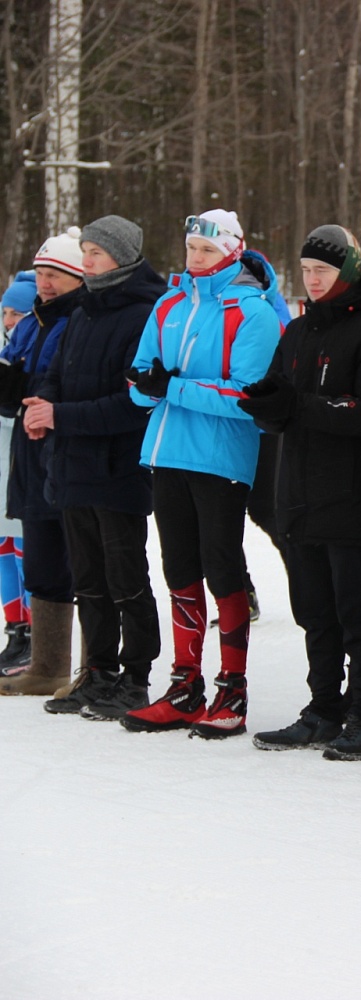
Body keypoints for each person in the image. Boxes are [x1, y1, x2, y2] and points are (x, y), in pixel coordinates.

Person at [245, 225, 361, 761]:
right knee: (313, 610)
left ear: (349, 274)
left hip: (355, 497)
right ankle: (322, 707)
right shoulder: (297, 332)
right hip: (299, 494)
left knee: (356, 608)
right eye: (307, 270)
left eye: (324, 271)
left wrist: (298, 409)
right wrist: (266, 405)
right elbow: (282, 402)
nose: (313, 280)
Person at [120, 209, 280, 737]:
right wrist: (148, 386)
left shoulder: (252, 313)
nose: (196, 258)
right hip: (167, 452)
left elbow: (249, 397)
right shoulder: (169, 302)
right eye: (191, 248)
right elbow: (141, 380)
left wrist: (174, 388)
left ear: (234, 250)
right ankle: (185, 683)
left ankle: (231, 688)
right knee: (179, 567)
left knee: (222, 566)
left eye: (207, 250)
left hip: (221, 458)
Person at [24, 216, 165, 721]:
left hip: (118, 467)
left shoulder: (145, 313)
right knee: (88, 578)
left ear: (122, 257)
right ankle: (99, 670)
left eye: (96, 254)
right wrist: (42, 407)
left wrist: (60, 415)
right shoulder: (83, 309)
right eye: (84, 253)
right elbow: (55, 374)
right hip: (72, 465)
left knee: (125, 575)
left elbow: (133, 404)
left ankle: (137, 677)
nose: (86, 262)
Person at [0, 232, 85, 699]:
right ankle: (48, 666)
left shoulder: (80, 319)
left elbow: (60, 384)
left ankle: (94, 669)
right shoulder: (32, 320)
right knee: (44, 564)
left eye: (54, 275)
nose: (45, 284)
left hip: (69, 450)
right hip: (31, 455)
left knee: (83, 564)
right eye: (42, 274)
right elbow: (16, 385)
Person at [0, 271, 36, 675]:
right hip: (1, 465)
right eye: (6, 312)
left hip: (21, 463)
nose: (10, 320)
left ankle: (36, 633)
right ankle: (15, 629)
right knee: (3, 550)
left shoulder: (36, 348)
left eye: (16, 313)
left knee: (28, 549)